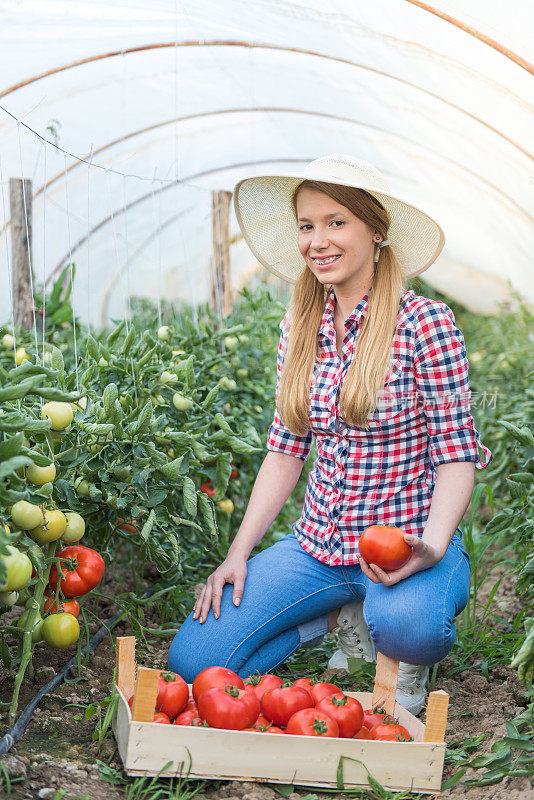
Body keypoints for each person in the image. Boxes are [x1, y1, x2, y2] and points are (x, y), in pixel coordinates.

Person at [168, 153, 493, 715]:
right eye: (307, 225)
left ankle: (394, 641)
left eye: (336, 222)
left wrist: (433, 545)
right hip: (318, 547)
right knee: (195, 663)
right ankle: (329, 617)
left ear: (377, 230)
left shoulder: (425, 323)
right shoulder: (300, 324)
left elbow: (455, 453)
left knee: (411, 627)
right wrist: (237, 554)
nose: (318, 241)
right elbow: (285, 448)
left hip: (403, 543)